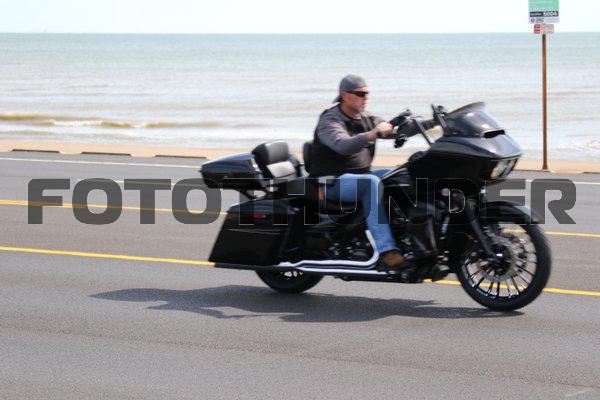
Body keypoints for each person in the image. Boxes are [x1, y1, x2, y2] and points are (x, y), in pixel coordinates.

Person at [310, 74, 411, 273]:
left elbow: (394, 131)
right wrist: (373, 133)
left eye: (367, 93)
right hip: (329, 183)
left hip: (357, 177)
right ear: (344, 95)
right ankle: (386, 250)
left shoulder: (366, 118)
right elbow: (342, 145)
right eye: (361, 94)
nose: (366, 97)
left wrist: (435, 122)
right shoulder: (330, 120)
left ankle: (410, 237)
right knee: (370, 183)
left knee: (401, 173)